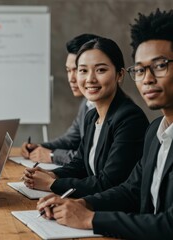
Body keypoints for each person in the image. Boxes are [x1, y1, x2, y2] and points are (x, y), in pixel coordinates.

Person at [37, 9, 173, 239]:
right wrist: (80, 204)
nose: (147, 78)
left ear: (119, 75)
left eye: (160, 65)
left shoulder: (129, 118)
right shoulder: (156, 131)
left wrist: (90, 218)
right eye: (140, 69)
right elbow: (131, 190)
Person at [22, 37, 149, 198]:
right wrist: (51, 174)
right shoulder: (91, 116)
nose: (90, 79)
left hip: (115, 211)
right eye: (83, 70)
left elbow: (109, 182)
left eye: (101, 70)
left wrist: (52, 184)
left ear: (120, 74)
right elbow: (79, 164)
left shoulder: (130, 119)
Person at [21, 34, 99, 165]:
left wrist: (52, 155)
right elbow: (70, 139)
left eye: (79, 70)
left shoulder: (114, 112)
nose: (71, 78)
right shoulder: (87, 103)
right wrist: (40, 146)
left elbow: (92, 157)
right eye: (69, 70)